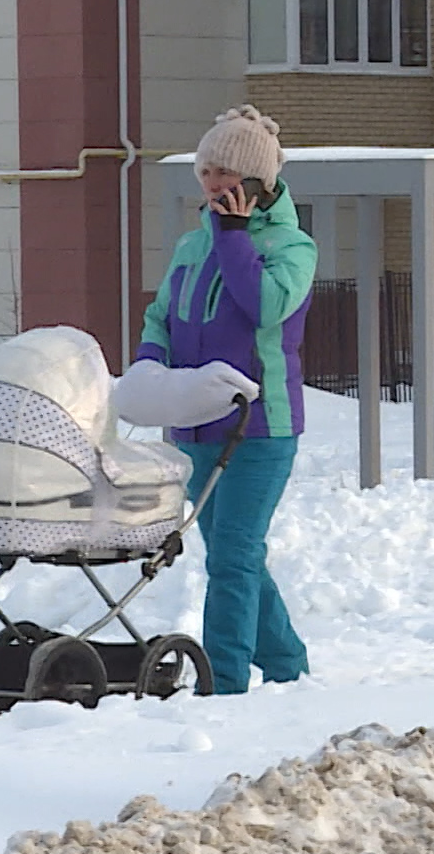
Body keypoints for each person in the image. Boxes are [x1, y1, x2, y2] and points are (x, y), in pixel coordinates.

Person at [133, 105, 317, 695]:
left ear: (258, 182)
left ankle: (224, 682)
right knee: (235, 557)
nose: (212, 184)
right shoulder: (192, 244)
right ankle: (288, 667)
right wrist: (149, 363)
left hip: (259, 428)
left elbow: (264, 305)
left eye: (225, 173)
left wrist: (236, 239)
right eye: (206, 171)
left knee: (233, 557)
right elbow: (161, 315)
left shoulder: (293, 247)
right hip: (194, 423)